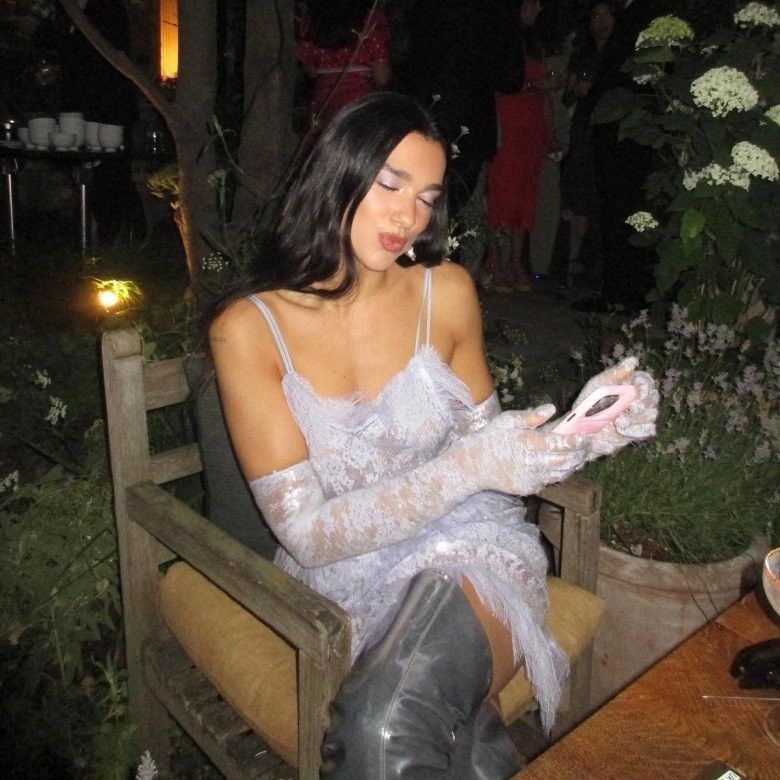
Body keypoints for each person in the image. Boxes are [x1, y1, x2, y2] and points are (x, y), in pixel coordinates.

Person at [208, 92, 658, 776]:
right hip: (345, 585)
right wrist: (470, 467)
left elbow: (493, 456)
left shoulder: (444, 292)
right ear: (336, 173)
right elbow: (305, 533)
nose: (408, 217)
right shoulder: (248, 330)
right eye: (389, 185)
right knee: (435, 734)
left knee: (385, 722)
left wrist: (584, 432)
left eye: (426, 198)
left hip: (474, 553)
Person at [483, 0, 564, 294]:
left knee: (525, 194)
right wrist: (534, 86)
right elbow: (495, 85)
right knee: (500, 191)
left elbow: (545, 96)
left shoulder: (534, 43)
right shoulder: (499, 39)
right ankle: (494, 261)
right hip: (508, 122)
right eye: (533, 3)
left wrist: (550, 133)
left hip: (532, 127)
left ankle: (516, 263)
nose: (538, 9)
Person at [559, 0, 617, 290]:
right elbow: (567, 98)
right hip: (584, 131)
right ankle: (572, 263)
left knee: (604, 197)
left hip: (611, 134)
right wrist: (575, 90)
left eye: (607, 15)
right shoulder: (583, 55)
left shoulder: (620, 54)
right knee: (579, 197)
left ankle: (604, 267)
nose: (602, 22)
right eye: (596, 16)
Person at [296, 0, 391, 132]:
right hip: (357, 109)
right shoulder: (371, 19)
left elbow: (311, 70)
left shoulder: (312, 18)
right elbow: (382, 77)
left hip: (324, 108)